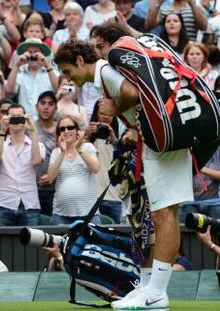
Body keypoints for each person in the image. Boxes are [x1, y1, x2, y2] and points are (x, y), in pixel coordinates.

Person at [54, 40, 193, 310]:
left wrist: (115, 109)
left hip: (166, 143)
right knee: (157, 216)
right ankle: (147, 288)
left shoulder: (104, 72)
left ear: (81, 61)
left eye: (68, 70)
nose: (68, 77)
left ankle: (157, 293)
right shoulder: (104, 76)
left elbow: (131, 91)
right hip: (157, 142)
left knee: (165, 214)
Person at [0, 103, 45, 226]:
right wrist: (2, 131)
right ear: (7, 119)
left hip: (30, 204)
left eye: (19, 116)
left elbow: (36, 161)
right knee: (3, 245)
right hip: (4, 204)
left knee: (33, 244)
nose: (16, 120)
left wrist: (33, 131)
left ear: (25, 118)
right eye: (12, 117)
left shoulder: (37, 145)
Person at [47, 116, 100, 225]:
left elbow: (95, 168)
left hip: (89, 213)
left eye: (70, 127)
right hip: (61, 215)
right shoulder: (56, 152)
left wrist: (79, 148)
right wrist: (62, 151)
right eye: (62, 129)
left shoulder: (87, 147)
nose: (66, 131)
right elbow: (50, 177)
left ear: (77, 131)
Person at [4, 38, 58, 119]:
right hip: (25, 122)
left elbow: (58, 89)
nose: (33, 55)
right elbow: (9, 91)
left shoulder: (52, 73)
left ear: (42, 54)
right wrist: (17, 66)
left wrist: (47, 65)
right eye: (30, 52)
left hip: (47, 121)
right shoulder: (19, 74)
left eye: (36, 52)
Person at [87, 99, 122, 224]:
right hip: (94, 198)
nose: (106, 117)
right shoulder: (88, 139)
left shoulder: (120, 139)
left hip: (116, 198)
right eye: (102, 113)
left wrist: (114, 140)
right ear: (96, 114)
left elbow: (125, 159)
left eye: (110, 113)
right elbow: (79, 153)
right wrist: (88, 135)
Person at [34, 91, 57, 217]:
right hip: (34, 190)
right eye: (42, 103)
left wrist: (54, 174)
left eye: (50, 103)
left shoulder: (63, 129)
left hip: (57, 190)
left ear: (56, 108)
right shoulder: (29, 129)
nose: (46, 107)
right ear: (36, 107)